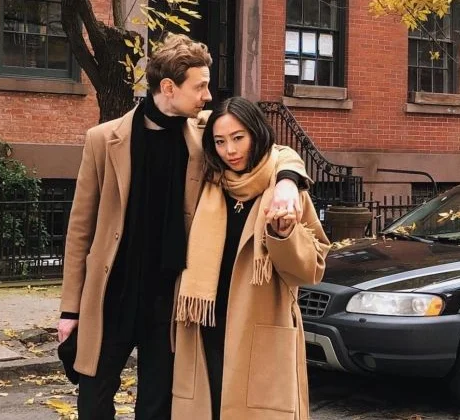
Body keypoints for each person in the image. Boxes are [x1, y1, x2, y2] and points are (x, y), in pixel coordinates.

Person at [58, 34, 308, 420]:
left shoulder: (204, 137)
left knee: (158, 407)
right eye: (201, 86)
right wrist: (69, 311)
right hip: (111, 298)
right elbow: (80, 233)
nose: (208, 95)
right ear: (169, 88)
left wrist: (289, 180)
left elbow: (269, 147)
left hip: (170, 303)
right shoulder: (103, 140)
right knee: (93, 402)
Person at [172, 97, 331, 420]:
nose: (229, 150)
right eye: (220, 141)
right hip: (205, 328)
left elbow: (312, 269)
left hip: (260, 333)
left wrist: (284, 234)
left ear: (257, 134)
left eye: (238, 138)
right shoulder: (208, 183)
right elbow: (187, 119)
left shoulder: (286, 192)